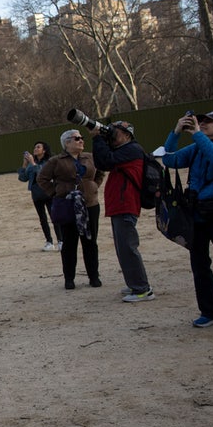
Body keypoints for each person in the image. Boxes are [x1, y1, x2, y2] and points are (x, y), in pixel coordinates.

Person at [162, 110, 213, 328]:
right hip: (198, 215)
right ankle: (210, 312)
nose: (203, 125)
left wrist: (198, 135)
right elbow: (169, 159)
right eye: (201, 122)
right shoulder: (196, 147)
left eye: (209, 123)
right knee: (200, 265)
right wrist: (175, 133)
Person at [91, 121, 154, 302]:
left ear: (127, 135)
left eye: (115, 133)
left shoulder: (132, 149)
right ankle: (135, 283)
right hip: (120, 205)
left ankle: (142, 289)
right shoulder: (124, 151)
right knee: (122, 248)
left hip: (126, 204)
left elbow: (104, 162)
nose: (111, 136)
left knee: (128, 247)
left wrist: (97, 137)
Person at [37, 130, 105, 290]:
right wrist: (56, 193)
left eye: (81, 138)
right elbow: (42, 178)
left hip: (90, 204)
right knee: (69, 243)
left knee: (90, 241)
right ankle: (69, 278)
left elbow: (101, 171)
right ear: (67, 143)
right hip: (68, 206)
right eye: (77, 138)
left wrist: (94, 185)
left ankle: (94, 276)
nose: (81, 140)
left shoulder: (89, 157)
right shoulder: (56, 161)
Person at [18, 141, 63, 252]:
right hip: (36, 194)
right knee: (42, 219)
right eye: (35, 147)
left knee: (55, 217)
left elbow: (42, 173)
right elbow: (22, 178)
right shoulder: (31, 163)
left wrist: (33, 164)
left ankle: (61, 241)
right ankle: (49, 241)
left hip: (48, 192)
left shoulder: (49, 162)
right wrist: (24, 164)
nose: (35, 149)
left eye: (38, 147)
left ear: (44, 150)